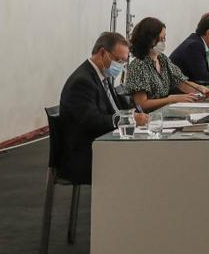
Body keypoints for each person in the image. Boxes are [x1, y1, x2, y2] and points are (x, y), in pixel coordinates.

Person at [57, 32, 148, 183]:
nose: (120, 66)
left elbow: (116, 110)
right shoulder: (82, 81)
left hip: (104, 144)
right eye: (118, 60)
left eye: (123, 62)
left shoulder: (103, 77)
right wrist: (128, 120)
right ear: (102, 53)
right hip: (85, 154)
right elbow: (91, 122)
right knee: (142, 161)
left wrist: (132, 113)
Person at [124, 18, 209, 113]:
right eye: (160, 39)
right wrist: (170, 99)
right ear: (147, 39)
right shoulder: (138, 66)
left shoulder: (162, 59)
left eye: (164, 38)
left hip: (163, 114)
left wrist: (199, 89)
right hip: (147, 119)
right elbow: (141, 105)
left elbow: (182, 83)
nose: (163, 42)